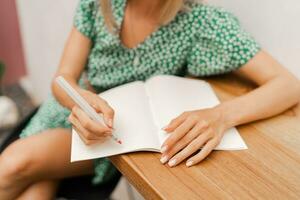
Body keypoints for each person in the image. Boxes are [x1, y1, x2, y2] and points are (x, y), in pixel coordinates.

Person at [0, 0, 299, 199]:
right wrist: (79, 102)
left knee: (16, 164)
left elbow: (288, 85)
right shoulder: (98, 4)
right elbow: (62, 78)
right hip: (72, 109)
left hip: (118, 138)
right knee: (35, 187)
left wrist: (220, 116)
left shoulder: (201, 22)